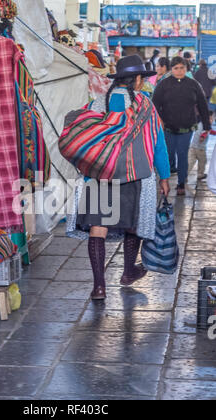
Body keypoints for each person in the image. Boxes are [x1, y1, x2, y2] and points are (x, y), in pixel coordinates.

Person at [65, 55, 171, 300]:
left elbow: (82, 132)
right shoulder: (145, 104)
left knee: (98, 229)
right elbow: (158, 143)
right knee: (133, 226)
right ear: (136, 80)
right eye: (141, 79)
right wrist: (164, 176)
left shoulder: (97, 102)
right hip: (134, 176)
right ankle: (128, 271)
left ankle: (99, 286)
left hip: (100, 174)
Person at [153, 56, 211, 196]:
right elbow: (154, 104)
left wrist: (207, 126)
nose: (179, 71)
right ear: (171, 69)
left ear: (186, 68)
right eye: (176, 68)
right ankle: (164, 180)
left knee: (183, 154)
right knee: (168, 155)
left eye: (182, 68)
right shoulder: (163, 84)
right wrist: (158, 119)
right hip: (167, 127)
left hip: (187, 127)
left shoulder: (193, 84)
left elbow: (203, 105)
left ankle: (181, 183)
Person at [188, 111, 214, 181]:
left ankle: (184, 175)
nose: (212, 121)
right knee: (203, 161)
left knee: (190, 162)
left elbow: (192, 129)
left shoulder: (198, 124)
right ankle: (200, 174)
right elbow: (204, 133)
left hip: (192, 146)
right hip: (200, 149)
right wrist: (202, 136)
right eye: (211, 119)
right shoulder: (206, 127)